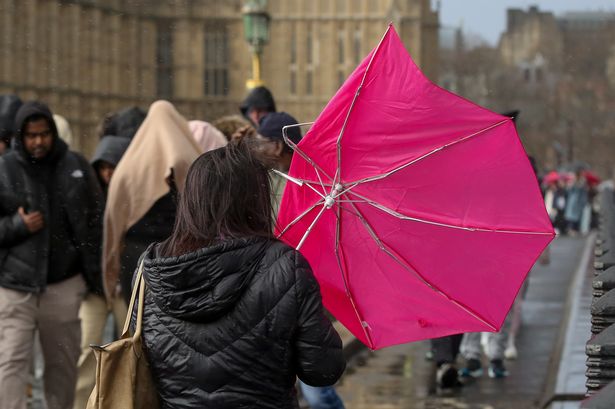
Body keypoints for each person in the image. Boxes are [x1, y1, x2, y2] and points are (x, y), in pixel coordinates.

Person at [133, 141, 345, 408]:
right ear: (256, 199)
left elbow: (142, 356)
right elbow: (323, 369)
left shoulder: (150, 268)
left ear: (191, 199)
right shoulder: (286, 266)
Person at [0, 101, 103, 409]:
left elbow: (95, 221)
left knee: (63, 365)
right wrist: (17, 225)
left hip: (63, 283)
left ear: (54, 133)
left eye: (44, 134)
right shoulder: (4, 168)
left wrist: (93, 274)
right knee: (11, 362)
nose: (39, 141)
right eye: (31, 136)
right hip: (15, 284)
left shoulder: (74, 164)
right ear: (21, 136)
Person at [254, 112, 347, 409]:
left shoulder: (314, 183)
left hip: (305, 295)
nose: (257, 148)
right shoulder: (272, 181)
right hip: (280, 293)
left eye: (261, 142)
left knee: (316, 391)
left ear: (278, 146)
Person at [102, 100, 201, 305]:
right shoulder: (192, 162)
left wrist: (110, 267)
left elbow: (114, 217)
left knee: (140, 322)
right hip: (180, 255)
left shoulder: (129, 168)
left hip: (137, 256)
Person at [73, 135, 131, 409]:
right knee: (85, 351)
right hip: (95, 288)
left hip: (123, 288)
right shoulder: (88, 199)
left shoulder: (132, 198)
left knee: (128, 350)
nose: (108, 173)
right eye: (103, 167)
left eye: (114, 166)